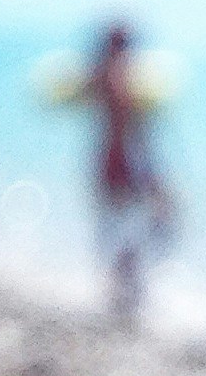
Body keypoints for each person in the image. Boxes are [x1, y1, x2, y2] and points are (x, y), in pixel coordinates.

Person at [43, 22, 176, 326]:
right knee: (135, 233)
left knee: (120, 233)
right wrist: (153, 180)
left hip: (107, 167)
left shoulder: (99, 79)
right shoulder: (122, 83)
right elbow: (136, 138)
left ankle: (121, 297)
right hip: (125, 168)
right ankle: (126, 301)